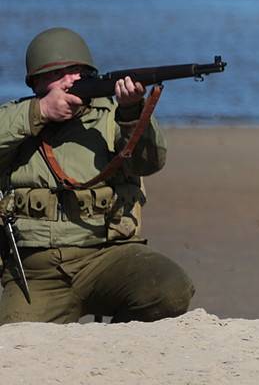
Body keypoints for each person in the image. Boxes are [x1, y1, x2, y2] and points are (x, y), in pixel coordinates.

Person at [0, 27, 194, 323]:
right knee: (13, 337)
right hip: (37, 270)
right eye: (58, 73)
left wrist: (131, 112)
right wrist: (39, 113)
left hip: (106, 257)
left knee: (170, 290)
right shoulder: (17, 119)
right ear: (36, 82)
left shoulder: (111, 117)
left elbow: (149, 162)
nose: (71, 79)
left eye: (77, 70)